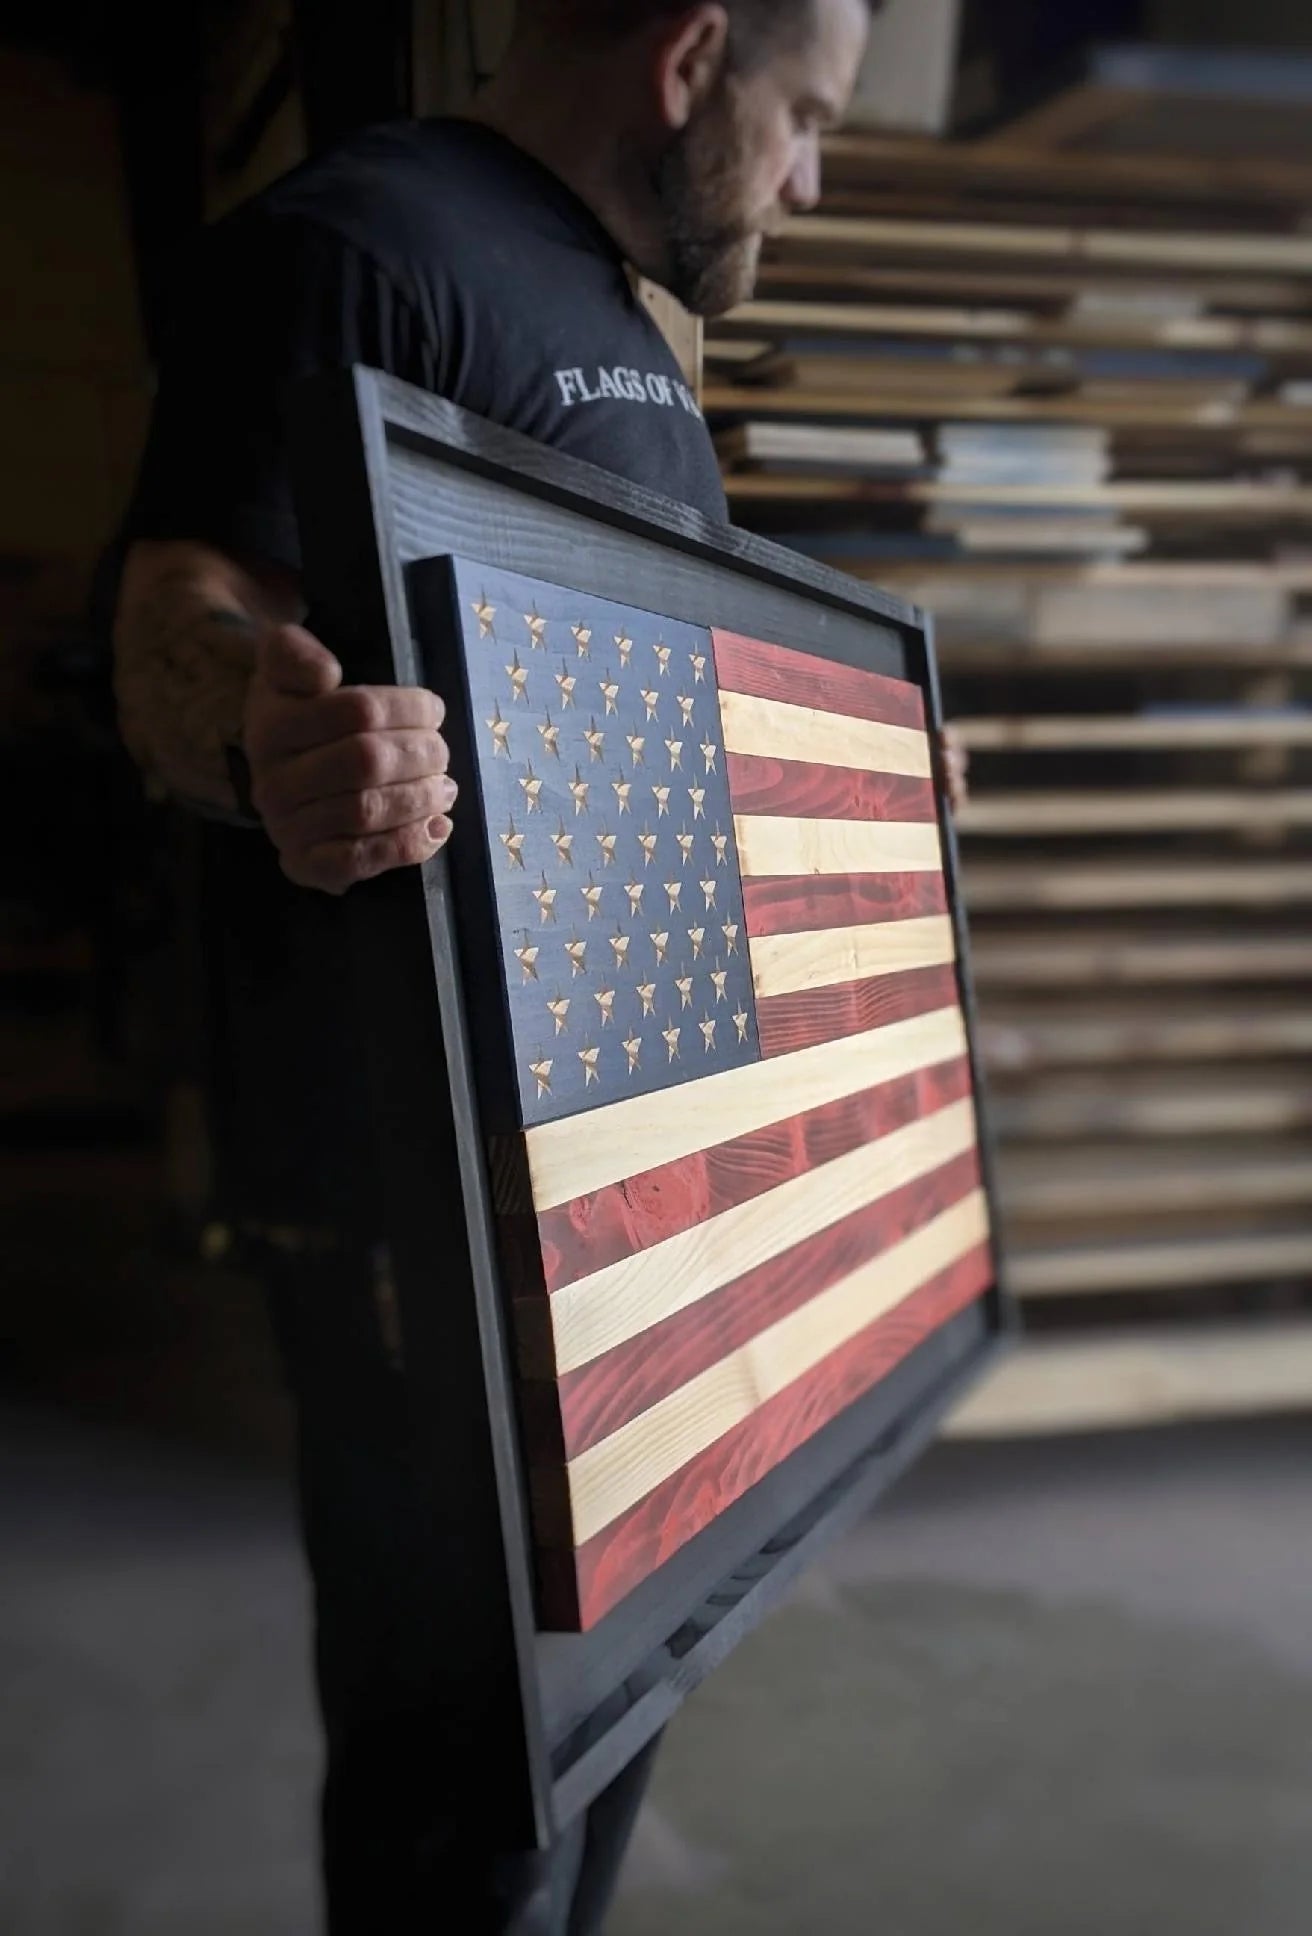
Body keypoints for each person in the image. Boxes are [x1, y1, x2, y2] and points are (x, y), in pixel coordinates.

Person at [110, 3, 962, 1929]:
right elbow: (173, 604)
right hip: (430, 1237)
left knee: (598, 1748)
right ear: (690, 58)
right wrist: (265, 732)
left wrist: (863, 771)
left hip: (623, 1226)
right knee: (458, 1822)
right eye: (806, 123)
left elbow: (644, 714)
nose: (811, 182)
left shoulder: (631, 333)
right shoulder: (365, 241)